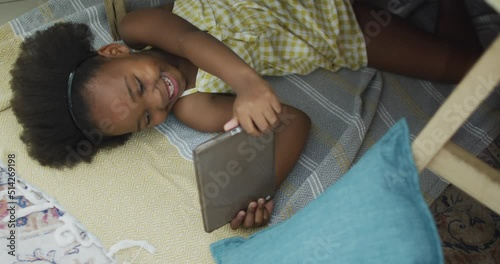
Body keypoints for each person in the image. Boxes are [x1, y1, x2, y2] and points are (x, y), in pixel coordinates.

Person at [9, 0, 481, 229]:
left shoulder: (138, 25)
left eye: (139, 84)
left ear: (114, 51)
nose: (158, 97)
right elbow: (293, 122)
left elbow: (190, 40)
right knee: (464, 65)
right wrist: (258, 189)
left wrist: (248, 84)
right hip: (338, 27)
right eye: (147, 118)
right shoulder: (193, 108)